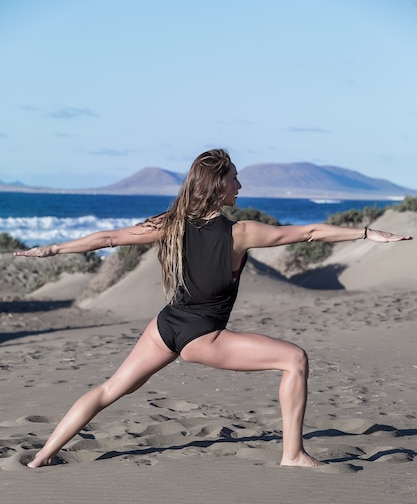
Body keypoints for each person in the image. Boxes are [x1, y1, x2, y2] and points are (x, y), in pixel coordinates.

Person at [14, 149, 412, 469]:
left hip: (165, 326)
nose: (240, 184)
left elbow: (108, 238)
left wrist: (53, 249)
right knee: (294, 360)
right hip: (201, 336)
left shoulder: (170, 224)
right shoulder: (240, 232)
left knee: (107, 391)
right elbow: (307, 232)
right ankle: (293, 455)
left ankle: (42, 455)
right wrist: (366, 232)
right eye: (234, 178)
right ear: (219, 185)